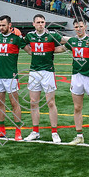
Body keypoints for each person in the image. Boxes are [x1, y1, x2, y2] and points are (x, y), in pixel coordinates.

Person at [60, 18, 89, 147]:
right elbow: (61, 49)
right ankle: (79, 136)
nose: (78, 29)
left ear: (85, 27)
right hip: (76, 76)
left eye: (80, 26)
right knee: (77, 107)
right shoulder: (73, 41)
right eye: (76, 27)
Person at [23, 14, 66, 143]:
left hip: (48, 72)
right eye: (38, 22)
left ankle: (54, 132)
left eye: (42, 22)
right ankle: (35, 131)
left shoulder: (51, 35)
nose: (40, 24)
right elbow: (22, 43)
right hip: (34, 72)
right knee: (33, 102)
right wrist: (29, 51)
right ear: (33, 24)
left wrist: (60, 48)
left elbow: (64, 41)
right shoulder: (30, 36)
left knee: (51, 103)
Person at [0, 15, 25, 141]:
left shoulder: (16, 38)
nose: (1, 27)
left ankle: (18, 131)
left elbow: (29, 49)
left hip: (11, 76)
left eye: (3, 25)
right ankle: (1, 130)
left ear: (9, 25)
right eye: (0, 25)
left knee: (14, 103)